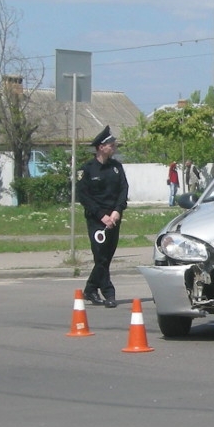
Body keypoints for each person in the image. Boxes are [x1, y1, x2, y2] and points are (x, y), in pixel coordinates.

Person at [76, 126, 128, 308]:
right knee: (101, 256)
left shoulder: (116, 167)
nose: (113, 147)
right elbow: (83, 196)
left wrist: (117, 211)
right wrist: (101, 215)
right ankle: (109, 292)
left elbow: (123, 190)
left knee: (107, 255)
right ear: (100, 147)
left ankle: (90, 289)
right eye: (110, 144)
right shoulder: (87, 170)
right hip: (96, 219)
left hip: (114, 218)